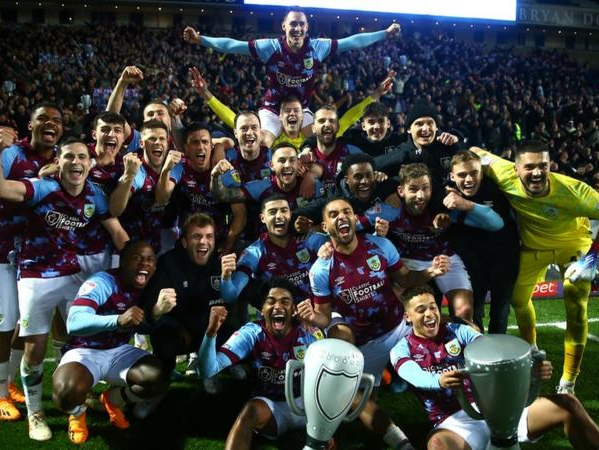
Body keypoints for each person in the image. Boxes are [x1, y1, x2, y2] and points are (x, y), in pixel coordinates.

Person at [0, 138, 129, 440]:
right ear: (59, 162)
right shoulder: (42, 187)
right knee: (35, 348)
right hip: (35, 275)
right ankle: (36, 414)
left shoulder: (95, 195)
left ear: (89, 163)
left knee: (77, 345)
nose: (76, 162)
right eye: (69, 156)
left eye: (82, 157)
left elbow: (117, 231)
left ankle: (75, 412)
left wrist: (139, 266)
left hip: (74, 276)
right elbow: (5, 189)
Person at [303, 197, 451, 450]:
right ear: (325, 226)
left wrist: (430, 273)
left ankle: (460, 416)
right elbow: (325, 316)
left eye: (347, 211)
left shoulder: (380, 245)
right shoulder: (321, 269)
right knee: (354, 398)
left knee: (447, 349)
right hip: (365, 343)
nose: (341, 217)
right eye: (334, 214)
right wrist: (309, 318)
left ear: (354, 218)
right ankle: (400, 442)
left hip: (399, 329)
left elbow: (404, 280)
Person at [390, 285, 599, 450]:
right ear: (407, 316)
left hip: (497, 407)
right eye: (420, 310)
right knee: (437, 445)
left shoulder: (458, 331)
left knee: (566, 403)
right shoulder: (401, 350)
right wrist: (438, 380)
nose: (429, 314)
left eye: (433, 307)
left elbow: (495, 352)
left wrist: (530, 370)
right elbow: (414, 376)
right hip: (455, 422)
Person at [473, 140, 599, 394]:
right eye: (529, 167)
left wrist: (592, 259)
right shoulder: (501, 170)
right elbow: (474, 153)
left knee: (576, 303)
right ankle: (531, 347)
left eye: (543, 165)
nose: (537, 172)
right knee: (518, 300)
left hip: (572, 245)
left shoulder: (575, 191)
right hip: (534, 247)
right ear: (516, 168)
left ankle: (568, 380)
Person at [183, 7, 401, 146]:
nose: (297, 28)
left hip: (301, 108)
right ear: (284, 26)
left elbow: (353, 42)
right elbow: (232, 45)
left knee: (318, 141)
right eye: (293, 23)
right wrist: (200, 39)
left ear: (307, 28)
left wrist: (384, 34)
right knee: (264, 142)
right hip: (272, 107)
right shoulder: (270, 47)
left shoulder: (318, 48)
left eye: (301, 24)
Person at [51, 240, 173, 444]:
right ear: (122, 261)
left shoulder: (150, 286)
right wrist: (117, 319)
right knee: (66, 393)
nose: (145, 264)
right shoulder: (103, 281)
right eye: (137, 258)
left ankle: (112, 399)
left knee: (158, 378)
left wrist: (156, 313)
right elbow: (74, 322)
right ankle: (78, 412)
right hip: (86, 350)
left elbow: (145, 324)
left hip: (119, 351)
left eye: (150, 259)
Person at [366, 163, 504, 322]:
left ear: (432, 188)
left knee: (464, 311)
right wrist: (377, 234)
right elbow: (355, 224)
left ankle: (459, 339)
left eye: (425, 188)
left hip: (446, 258)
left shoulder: (443, 208)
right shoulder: (390, 209)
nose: (420, 196)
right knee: (403, 312)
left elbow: (496, 224)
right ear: (401, 191)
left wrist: (465, 204)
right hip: (408, 262)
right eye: (413, 189)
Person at [198, 278, 324, 450]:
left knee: (353, 395)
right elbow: (208, 370)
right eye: (270, 301)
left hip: (307, 403)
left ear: (294, 309)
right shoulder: (251, 333)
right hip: (271, 408)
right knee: (250, 410)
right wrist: (210, 332)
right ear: (262, 309)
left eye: (285, 302)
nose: (277, 306)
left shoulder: (309, 332)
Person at [0, 102, 63, 421]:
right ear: (30, 125)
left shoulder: (61, 159)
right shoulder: (11, 153)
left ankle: (9, 383)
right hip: (2, 250)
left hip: (32, 255)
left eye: (56, 120)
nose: (50, 124)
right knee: (4, 322)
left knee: (19, 324)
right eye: (43, 119)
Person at [446, 150, 520, 333]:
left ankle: (498, 356)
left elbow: (496, 224)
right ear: (452, 176)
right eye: (462, 175)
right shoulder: (445, 192)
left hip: (504, 258)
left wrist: (466, 206)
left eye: (474, 173)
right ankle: (474, 352)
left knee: (500, 313)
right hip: (472, 261)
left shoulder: (494, 189)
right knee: (472, 312)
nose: (469, 179)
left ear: (482, 172)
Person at [155, 122, 246, 255]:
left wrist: (228, 243)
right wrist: (166, 170)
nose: (200, 147)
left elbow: (240, 214)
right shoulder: (180, 167)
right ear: (186, 148)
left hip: (218, 241)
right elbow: (161, 198)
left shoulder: (226, 170)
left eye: (204, 142)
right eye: (195, 142)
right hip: (187, 241)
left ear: (211, 146)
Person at [220, 194, 328, 305]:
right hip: (281, 317)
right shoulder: (254, 252)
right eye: (272, 212)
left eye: (284, 211)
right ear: (263, 218)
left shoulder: (310, 240)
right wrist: (226, 277)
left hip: (318, 313)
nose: (279, 216)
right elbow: (230, 296)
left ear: (290, 214)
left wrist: (320, 232)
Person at [293, 152, 398, 233]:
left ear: (374, 174)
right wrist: (297, 225)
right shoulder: (333, 200)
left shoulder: (382, 183)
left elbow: (408, 181)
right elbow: (296, 216)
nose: (365, 182)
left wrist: (399, 194)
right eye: (358, 177)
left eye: (368, 175)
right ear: (347, 179)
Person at [109, 120, 170, 254]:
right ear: (141, 143)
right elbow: (114, 210)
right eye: (152, 139)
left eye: (162, 139)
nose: (157, 142)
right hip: (128, 252)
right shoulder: (136, 170)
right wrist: (129, 176)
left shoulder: (172, 167)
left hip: (156, 250)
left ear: (167, 143)